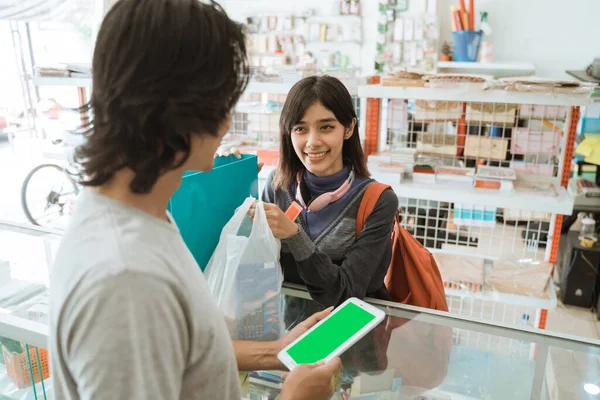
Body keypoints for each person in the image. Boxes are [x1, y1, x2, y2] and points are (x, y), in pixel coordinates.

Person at [49, 1, 340, 399]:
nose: (227, 121)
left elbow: (185, 347)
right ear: (185, 107)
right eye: (224, 100)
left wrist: (277, 351)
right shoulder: (125, 281)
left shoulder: (140, 215)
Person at [249, 76, 399, 307]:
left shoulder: (377, 201)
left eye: (326, 127)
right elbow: (255, 269)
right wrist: (228, 181)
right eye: (300, 128)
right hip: (290, 332)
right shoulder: (277, 186)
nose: (312, 142)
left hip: (351, 335)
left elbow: (346, 293)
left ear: (348, 128)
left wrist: (294, 235)